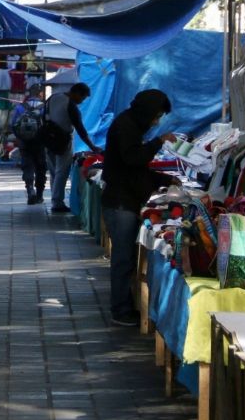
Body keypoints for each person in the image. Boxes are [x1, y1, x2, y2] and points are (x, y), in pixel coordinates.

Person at [101, 89, 180, 326]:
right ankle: (120, 310)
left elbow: (137, 169)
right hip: (120, 203)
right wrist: (158, 141)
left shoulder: (130, 125)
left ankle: (125, 305)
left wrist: (165, 180)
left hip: (125, 200)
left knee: (126, 258)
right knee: (123, 259)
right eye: (156, 116)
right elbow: (133, 160)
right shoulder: (126, 127)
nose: (156, 122)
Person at [44, 82, 102, 213]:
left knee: (54, 172)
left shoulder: (53, 97)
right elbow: (81, 130)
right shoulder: (71, 106)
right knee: (62, 172)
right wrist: (92, 147)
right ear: (76, 93)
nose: (81, 102)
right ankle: (57, 203)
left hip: (47, 138)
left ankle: (55, 200)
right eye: (82, 98)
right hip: (62, 140)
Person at [11, 84, 47, 205]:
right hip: (41, 142)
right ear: (40, 93)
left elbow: (14, 125)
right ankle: (40, 195)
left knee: (27, 166)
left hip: (25, 144)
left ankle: (30, 191)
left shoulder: (20, 107)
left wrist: (21, 138)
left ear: (30, 93)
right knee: (41, 168)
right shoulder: (44, 107)